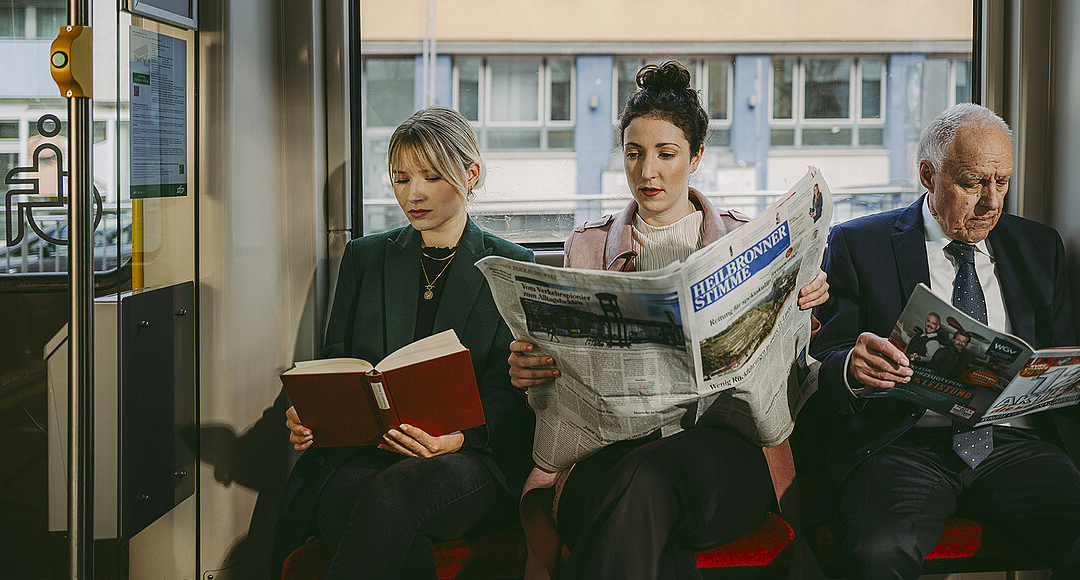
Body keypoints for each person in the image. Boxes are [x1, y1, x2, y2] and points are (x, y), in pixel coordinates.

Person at [507, 60, 829, 580]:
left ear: (696, 157)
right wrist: (530, 372)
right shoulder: (587, 246)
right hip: (605, 453)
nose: (647, 171)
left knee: (645, 487)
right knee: (642, 493)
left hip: (722, 455)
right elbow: (559, 380)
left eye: (666, 154)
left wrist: (803, 307)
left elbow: (790, 374)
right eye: (633, 154)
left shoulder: (746, 243)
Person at [799, 102, 1080, 579]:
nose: (992, 202)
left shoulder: (1039, 247)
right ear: (927, 175)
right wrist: (852, 370)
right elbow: (821, 361)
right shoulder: (861, 245)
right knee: (878, 552)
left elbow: (1061, 367)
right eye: (973, 183)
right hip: (902, 445)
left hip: (1015, 446)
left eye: (1002, 181)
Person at [272, 107, 535, 580]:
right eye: (399, 179)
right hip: (366, 452)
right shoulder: (365, 258)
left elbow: (512, 392)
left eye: (431, 177)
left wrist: (456, 437)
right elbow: (338, 361)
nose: (412, 194)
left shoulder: (510, 263)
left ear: (470, 174)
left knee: (388, 499)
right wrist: (312, 417)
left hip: (465, 458)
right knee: (368, 506)